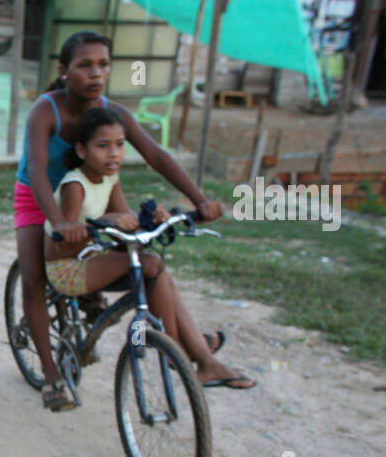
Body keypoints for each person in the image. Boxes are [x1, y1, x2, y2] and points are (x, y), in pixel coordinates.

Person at [16, 30, 227, 410]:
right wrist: (59, 223)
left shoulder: (114, 115)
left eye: (103, 65)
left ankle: (187, 348)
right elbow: (36, 168)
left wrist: (199, 199)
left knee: (145, 260)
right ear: (65, 71)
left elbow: (157, 156)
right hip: (40, 196)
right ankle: (50, 375)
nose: (96, 73)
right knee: (34, 278)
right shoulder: (46, 110)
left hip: (92, 196)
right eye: (85, 65)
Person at [50, 107, 254, 389]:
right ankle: (179, 353)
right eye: (103, 146)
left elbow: (126, 224)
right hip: (68, 267)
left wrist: (151, 218)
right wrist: (105, 222)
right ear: (82, 151)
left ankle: (203, 359)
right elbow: (67, 241)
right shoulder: (75, 185)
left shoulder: (110, 178)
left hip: (97, 260)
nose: (114, 154)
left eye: (120, 145)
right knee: (153, 264)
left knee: (158, 272)